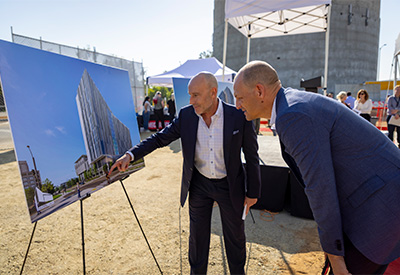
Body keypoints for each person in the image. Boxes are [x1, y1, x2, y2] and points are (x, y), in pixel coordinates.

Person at [233, 60, 400, 275]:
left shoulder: (292, 116)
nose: (237, 105)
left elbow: (321, 191)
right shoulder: (291, 103)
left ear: (259, 91)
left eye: (239, 97)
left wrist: (337, 261)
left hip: (380, 209)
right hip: (377, 201)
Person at [109, 72, 261, 274]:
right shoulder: (187, 115)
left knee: (235, 239)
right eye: (190, 95)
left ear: (213, 93)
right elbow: (159, 139)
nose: (191, 101)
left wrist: (253, 193)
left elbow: (251, 156)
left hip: (229, 185)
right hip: (199, 185)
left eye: (196, 95)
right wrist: (130, 154)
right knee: (197, 241)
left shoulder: (238, 117)